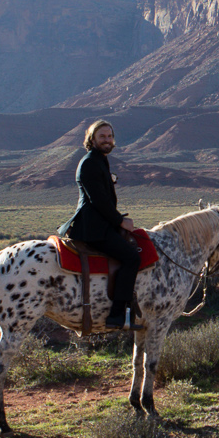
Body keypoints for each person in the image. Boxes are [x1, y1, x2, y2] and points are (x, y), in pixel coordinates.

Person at [63, 119, 142, 328]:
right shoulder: (90, 162)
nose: (107, 140)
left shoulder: (100, 160)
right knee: (132, 257)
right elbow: (98, 201)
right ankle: (117, 316)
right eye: (102, 137)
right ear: (92, 139)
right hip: (93, 228)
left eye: (109, 136)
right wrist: (120, 221)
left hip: (100, 223)